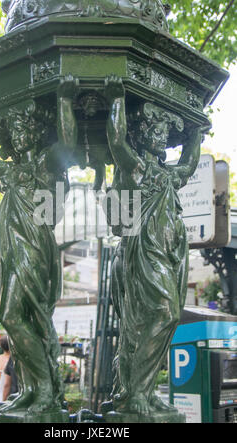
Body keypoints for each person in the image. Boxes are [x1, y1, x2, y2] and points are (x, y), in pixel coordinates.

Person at [0, 75, 80, 415]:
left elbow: (69, 142)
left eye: (23, 128)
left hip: (33, 247)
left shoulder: (47, 166)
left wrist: (65, 100)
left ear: (35, 132)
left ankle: (43, 388)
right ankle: (32, 389)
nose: (18, 134)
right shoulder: (11, 174)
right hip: (10, 248)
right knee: (16, 316)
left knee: (15, 315)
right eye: (13, 131)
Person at [104, 75, 201, 415]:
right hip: (146, 251)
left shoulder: (166, 175)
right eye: (153, 131)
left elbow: (188, 163)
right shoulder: (137, 168)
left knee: (164, 319)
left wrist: (196, 133)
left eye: (163, 132)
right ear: (142, 133)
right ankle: (135, 393)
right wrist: (116, 99)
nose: (160, 136)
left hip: (172, 251)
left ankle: (140, 391)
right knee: (164, 312)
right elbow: (116, 142)